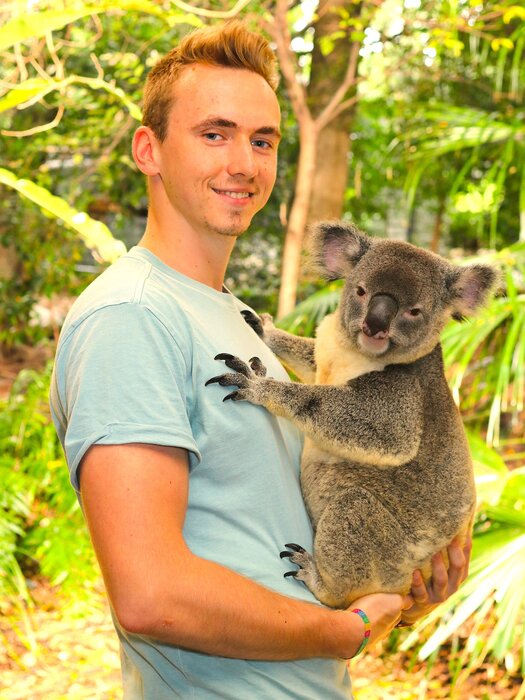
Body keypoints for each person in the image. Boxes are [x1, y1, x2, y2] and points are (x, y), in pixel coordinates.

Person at [50, 21, 470, 699]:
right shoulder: (133, 316)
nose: (243, 163)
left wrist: (400, 578)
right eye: (213, 133)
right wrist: (342, 631)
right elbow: (151, 596)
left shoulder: (235, 320)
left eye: (262, 140)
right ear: (147, 151)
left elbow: (272, 527)